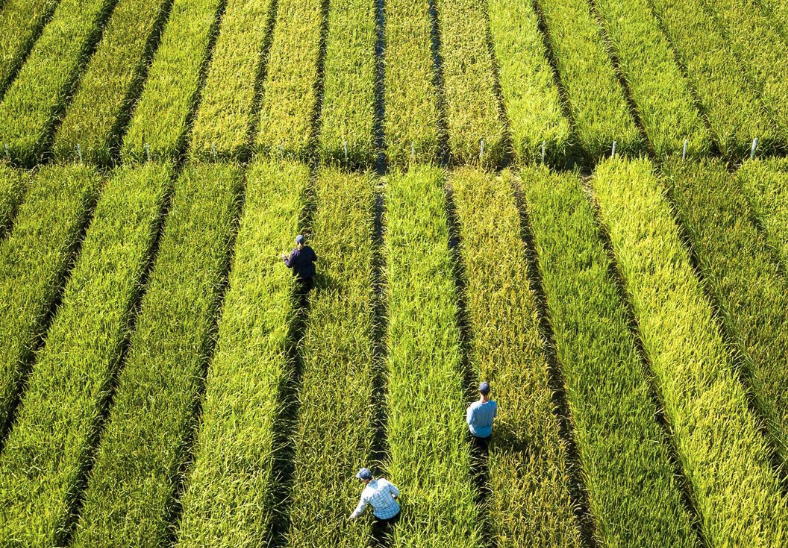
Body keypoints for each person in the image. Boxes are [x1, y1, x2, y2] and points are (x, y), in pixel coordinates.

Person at [349, 468, 401, 539]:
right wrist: (392, 498)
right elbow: (397, 492)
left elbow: (360, 509)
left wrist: (351, 517)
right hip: (396, 511)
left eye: (361, 479)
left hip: (382, 518)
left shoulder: (365, 493)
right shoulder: (383, 482)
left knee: (381, 531)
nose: (361, 480)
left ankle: (382, 538)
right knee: (397, 526)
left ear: (365, 480)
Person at [466, 381, 498, 452]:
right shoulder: (493, 404)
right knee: (485, 446)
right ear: (488, 392)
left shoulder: (474, 406)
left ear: (479, 391)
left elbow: (469, 422)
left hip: (475, 432)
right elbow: (495, 416)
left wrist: (468, 410)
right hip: (487, 433)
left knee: (476, 447)